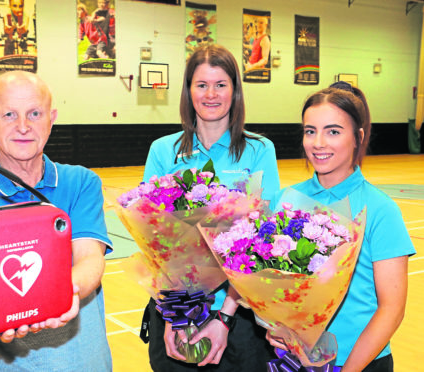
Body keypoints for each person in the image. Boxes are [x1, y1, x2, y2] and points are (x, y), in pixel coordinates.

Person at [0, 71, 113, 371]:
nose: (23, 126)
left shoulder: (81, 182)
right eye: (9, 114)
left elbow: (89, 257)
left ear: (52, 119)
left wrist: (57, 297)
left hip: (82, 361)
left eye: (35, 113)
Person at [142, 44, 280, 371]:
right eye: (201, 85)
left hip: (240, 316)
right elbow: (155, 244)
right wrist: (176, 316)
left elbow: (261, 241)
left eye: (221, 85)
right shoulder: (163, 151)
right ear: (189, 91)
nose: (211, 94)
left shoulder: (260, 151)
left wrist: (225, 315)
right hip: (175, 311)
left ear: (235, 91)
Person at [268, 81, 415, 371]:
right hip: (292, 360)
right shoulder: (284, 200)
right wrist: (274, 326)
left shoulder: (381, 210)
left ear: (358, 136)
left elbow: (392, 308)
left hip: (359, 363)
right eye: (311, 131)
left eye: (333, 131)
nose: (318, 143)